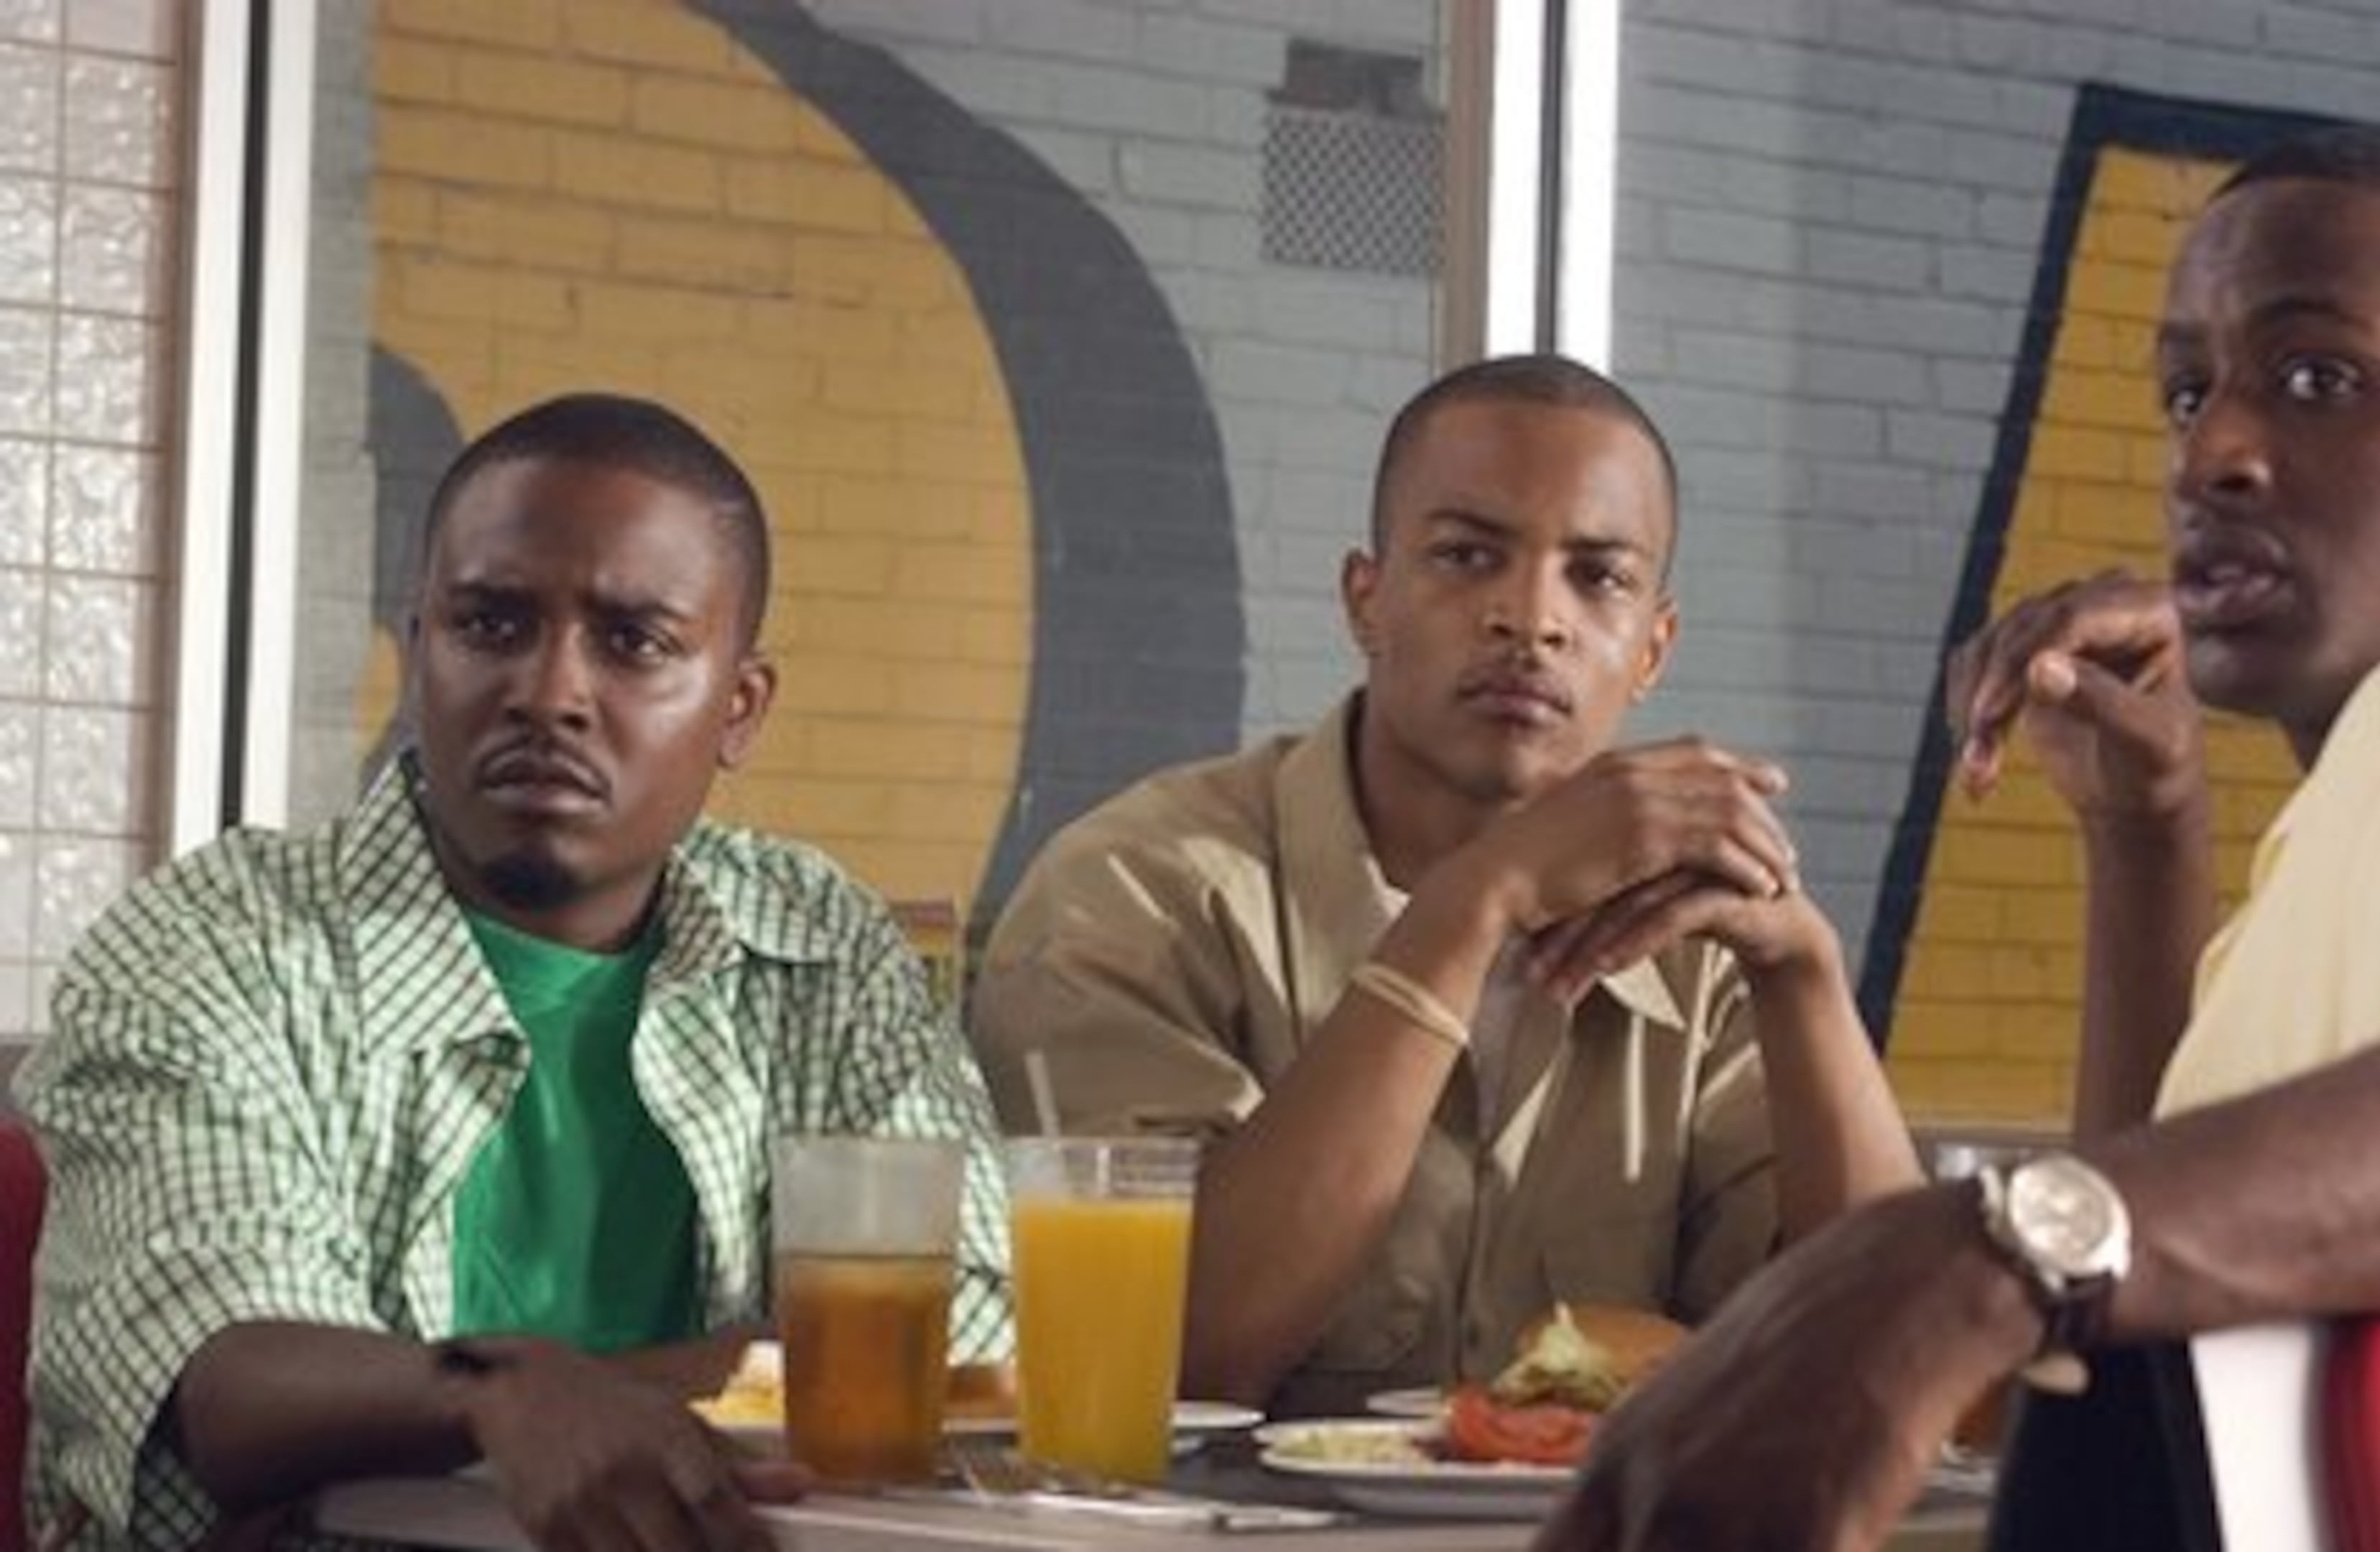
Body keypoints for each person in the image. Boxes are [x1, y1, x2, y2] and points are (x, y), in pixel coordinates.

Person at [1535, 126, 2380, 1552]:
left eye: (2319, 379)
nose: (2214, 452)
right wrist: (2147, 836)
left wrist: (1959, 1255)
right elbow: (2159, 1335)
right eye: (2190, 391)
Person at [14, 394, 1015, 1552]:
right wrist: (507, 1396)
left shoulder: (820, 942)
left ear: (738, 710)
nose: (549, 694)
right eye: (489, 625)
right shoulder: (220, 942)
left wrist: (546, 1403)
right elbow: (232, 1380)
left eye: (634, 643)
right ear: (419, 646)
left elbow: (974, 1342)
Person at [970, 354, 1921, 1415]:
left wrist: (1805, 974)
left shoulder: (1707, 940)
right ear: (1364, 602)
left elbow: (1890, 1374)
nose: (1531, 618)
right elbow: (1164, 1365)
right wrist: (1476, 904)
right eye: (1468, 556)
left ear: (1654, 649)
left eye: (1597, 577)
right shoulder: (1134, 893)